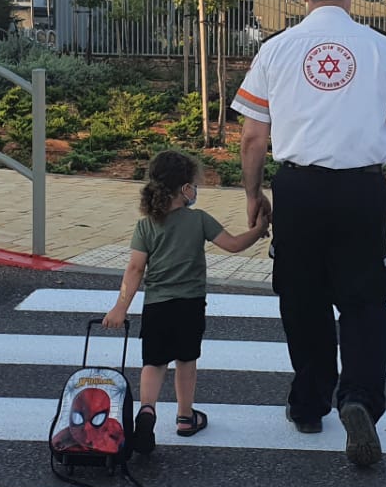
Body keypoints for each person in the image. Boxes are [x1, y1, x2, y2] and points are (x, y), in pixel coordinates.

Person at [231, 0, 386, 468]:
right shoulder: (382, 49)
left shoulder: (276, 50)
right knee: (364, 303)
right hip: (362, 192)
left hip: (299, 191)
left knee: (303, 299)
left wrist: (253, 194)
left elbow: (252, 137)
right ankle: (359, 398)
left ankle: (310, 403)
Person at [102, 150, 269, 456]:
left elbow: (135, 269)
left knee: (154, 363)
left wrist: (120, 307)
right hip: (190, 305)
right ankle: (185, 416)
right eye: (193, 184)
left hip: (157, 306)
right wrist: (258, 230)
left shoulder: (146, 225)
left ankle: (147, 411)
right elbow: (233, 245)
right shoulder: (199, 219)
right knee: (186, 361)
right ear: (184, 189)